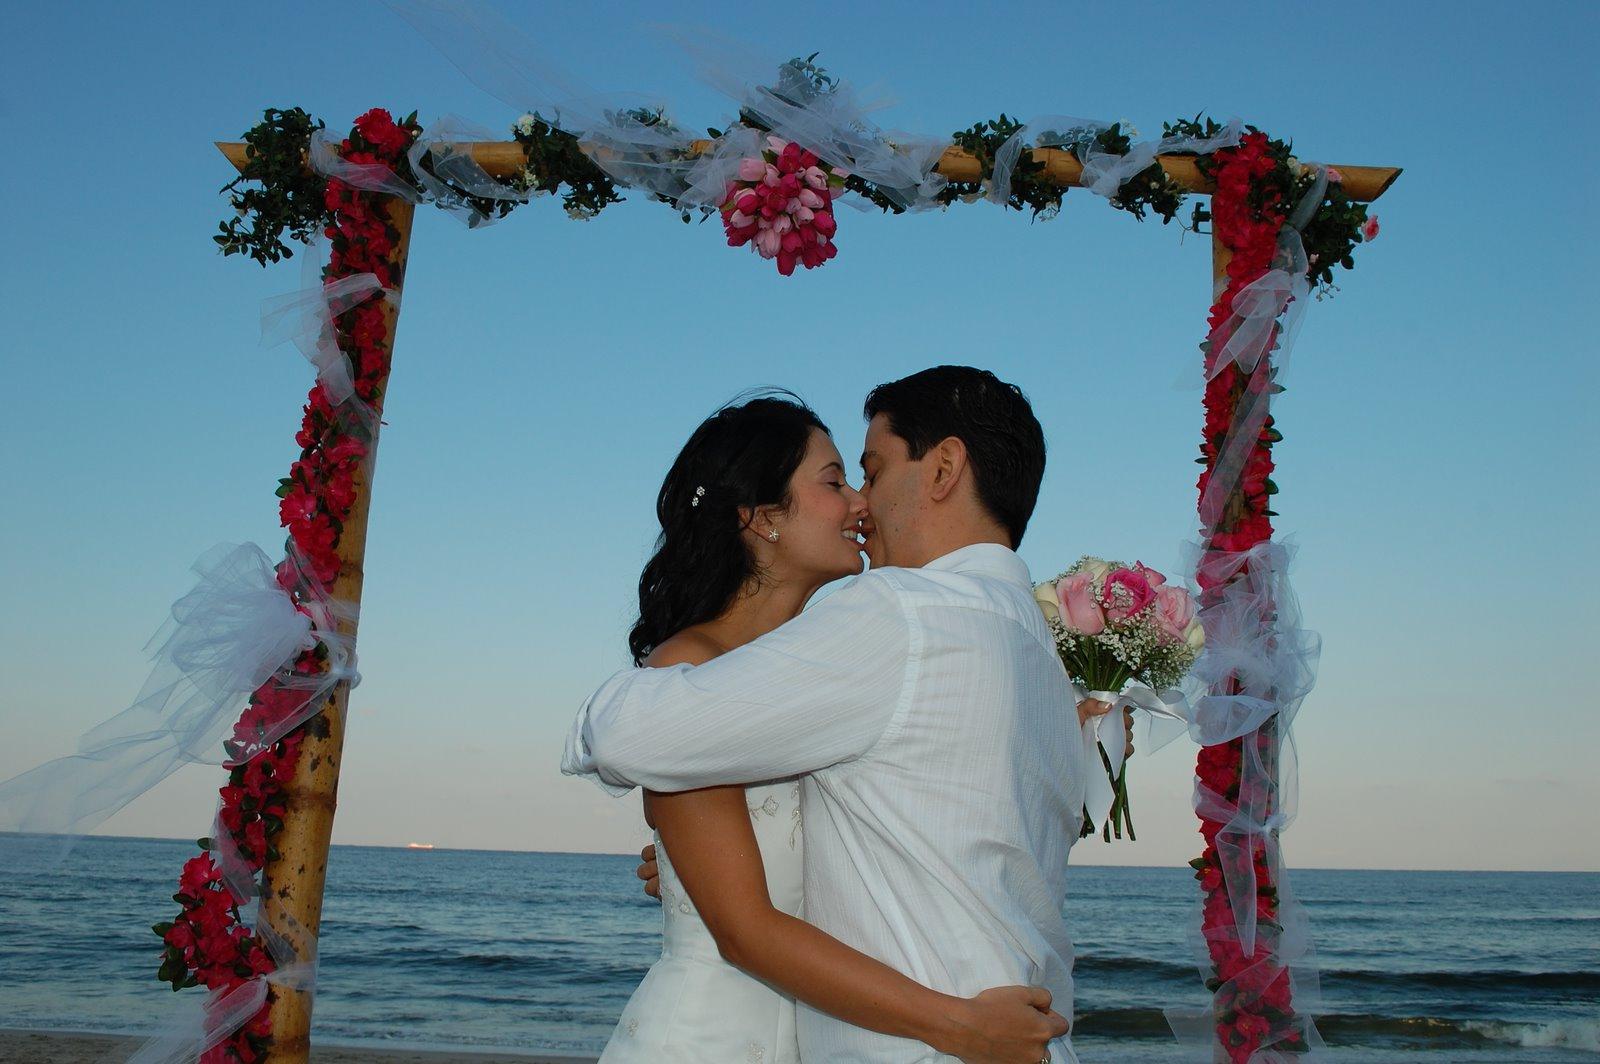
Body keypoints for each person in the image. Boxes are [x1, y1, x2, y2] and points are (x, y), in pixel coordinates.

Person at [565, 369, 1122, 1063]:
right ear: (763, 516)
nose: (861, 502)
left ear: (945, 468)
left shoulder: (900, 616)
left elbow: (628, 734)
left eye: (870, 470)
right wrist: (689, 863)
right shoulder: (1038, 657)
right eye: (839, 481)